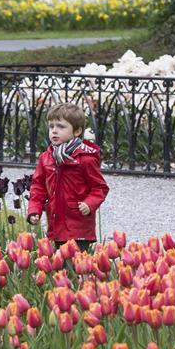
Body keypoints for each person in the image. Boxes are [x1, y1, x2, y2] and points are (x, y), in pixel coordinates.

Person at [26, 103, 110, 252]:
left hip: (78, 224)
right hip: (56, 223)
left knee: (76, 265)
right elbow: (38, 187)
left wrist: (89, 204)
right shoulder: (46, 158)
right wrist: (34, 210)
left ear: (77, 131)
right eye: (51, 126)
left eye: (61, 127)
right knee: (61, 267)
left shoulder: (85, 158)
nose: (54, 131)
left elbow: (100, 187)